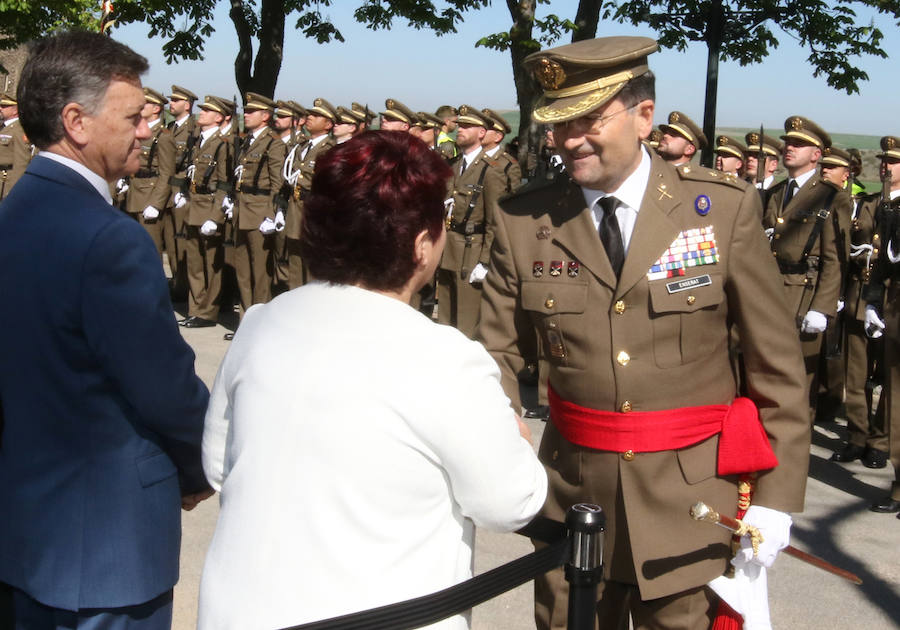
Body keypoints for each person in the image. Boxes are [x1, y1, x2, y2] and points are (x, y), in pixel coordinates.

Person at [477, 36, 810, 629]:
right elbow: (493, 354)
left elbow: (776, 371)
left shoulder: (719, 210)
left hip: (692, 509)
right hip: (572, 502)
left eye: (588, 120)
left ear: (644, 116)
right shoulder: (525, 219)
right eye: (556, 123)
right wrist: (507, 443)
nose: (568, 139)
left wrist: (776, 499)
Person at [198, 130, 547, 630]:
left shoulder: (260, 324)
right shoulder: (447, 358)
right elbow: (512, 502)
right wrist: (515, 435)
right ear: (423, 244)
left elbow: (218, 466)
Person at [0, 31, 211, 629]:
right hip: (102, 555)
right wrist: (200, 465)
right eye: (134, 116)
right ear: (77, 121)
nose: (147, 129)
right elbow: (163, 383)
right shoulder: (108, 238)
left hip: (29, 534)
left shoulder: (16, 210)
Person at [763, 117, 849, 419]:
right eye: (788, 142)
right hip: (770, 294)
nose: (789, 147)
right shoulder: (775, 193)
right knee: (768, 378)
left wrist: (822, 307)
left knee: (799, 385)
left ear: (816, 154)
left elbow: (834, 258)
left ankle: (795, 459)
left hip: (803, 295)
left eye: (799, 144)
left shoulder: (831, 196)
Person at [437, 104, 504, 338]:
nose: (460, 129)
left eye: (467, 126)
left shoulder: (490, 170)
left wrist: (485, 261)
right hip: (448, 246)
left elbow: (495, 221)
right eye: (459, 125)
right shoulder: (453, 166)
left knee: (466, 324)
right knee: (445, 320)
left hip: (471, 249)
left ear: (482, 133)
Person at [862, 135, 900, 513]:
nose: (886, 168)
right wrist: (873, 302)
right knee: (896, 396)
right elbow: (886, 261)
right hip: (896, 306)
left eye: (894, 162)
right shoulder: (892, 209)